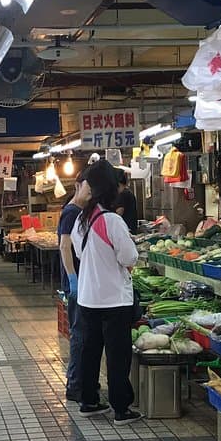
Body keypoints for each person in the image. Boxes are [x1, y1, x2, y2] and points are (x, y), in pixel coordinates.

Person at [71, 160, 142, 425]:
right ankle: (121, 408)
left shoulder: (82, 219)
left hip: (88, 297)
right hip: (113, 300)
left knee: (90, 352)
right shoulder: (111, 220)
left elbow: (80, 254)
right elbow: (129, 257)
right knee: (117, 355)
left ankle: (89, 401)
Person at [58, 170, 90, 403]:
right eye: (88, 189)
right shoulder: (71, 212)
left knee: (81, 334)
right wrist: (73, 279)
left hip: (82, 281)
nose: (91, 194)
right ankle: (75, 385)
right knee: (79, 334)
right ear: (78, 186)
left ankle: (80, 381)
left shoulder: (78, 210)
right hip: (77, 282)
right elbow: (64, 247)